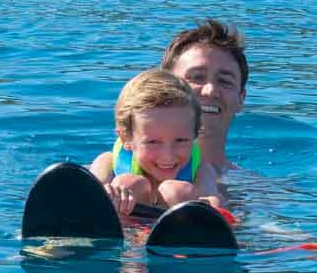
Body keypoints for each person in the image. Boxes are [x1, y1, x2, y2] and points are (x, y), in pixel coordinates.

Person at [89, 69, 222, 216]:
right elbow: (86, 194)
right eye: (153, 142)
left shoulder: (202, 171)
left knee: (177, 191)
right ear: (126, 139)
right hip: (126, 229)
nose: (168, 156)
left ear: (194, 135)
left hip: (177, 228)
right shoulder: (106, 162)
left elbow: (213, 200)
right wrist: (108, 193)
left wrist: (209, 203)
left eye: (181, 140)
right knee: (127, 184)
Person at [160, 19, 247, 176]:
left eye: (224, 81)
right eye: (196, 77)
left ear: (241, 98)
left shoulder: (256, 193)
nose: (210, 90)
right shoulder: (116, 176)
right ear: (165, 86)